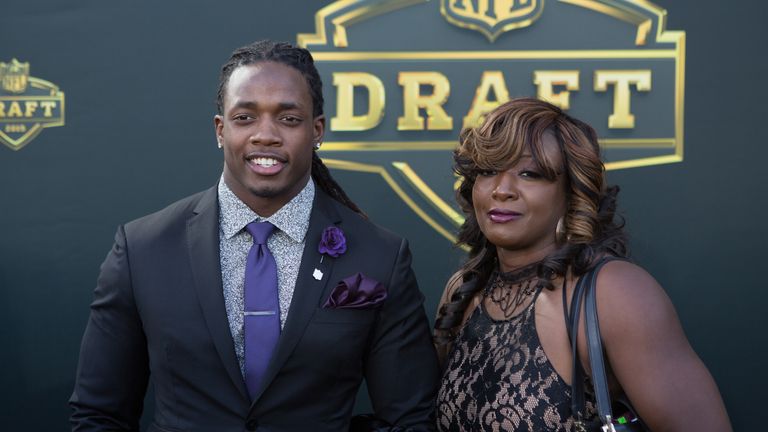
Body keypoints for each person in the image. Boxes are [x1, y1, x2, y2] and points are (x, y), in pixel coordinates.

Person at [70, 40, 439, 432]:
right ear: (220, 129)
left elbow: (409, 419)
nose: (266, 135)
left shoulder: (380, 256)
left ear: (317, 131)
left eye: (289, 119)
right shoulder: (142, 249)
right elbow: (98, 415)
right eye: (245, 117)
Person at [433, 98, 731, 431]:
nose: (502, 190)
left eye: (530, 174)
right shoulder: (464, 289)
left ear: (572, 192)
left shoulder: (614, 292)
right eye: (487, 171)